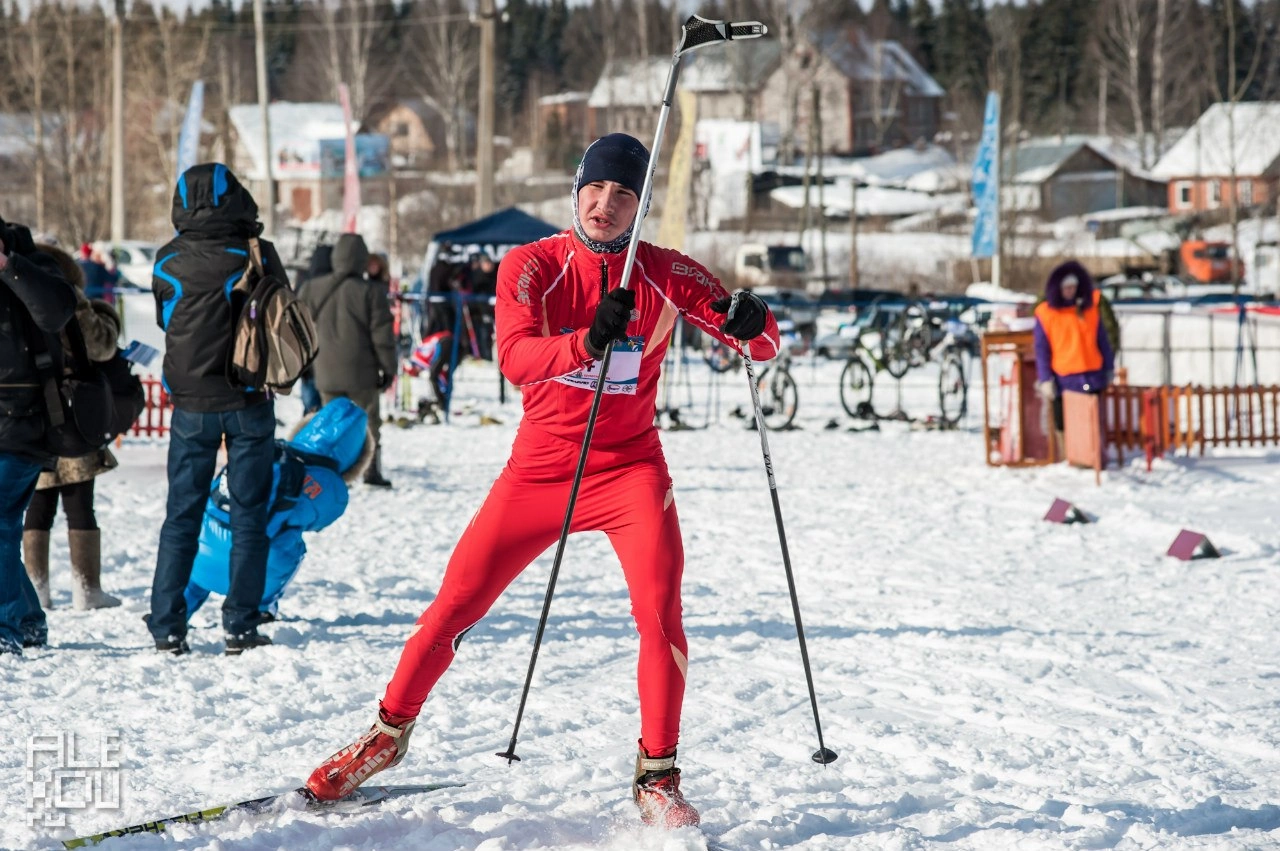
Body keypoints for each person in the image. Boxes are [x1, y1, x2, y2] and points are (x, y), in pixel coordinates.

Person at [306, 133, 780, 828]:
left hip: (628, 469)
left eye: (625, 195)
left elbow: (761, 346)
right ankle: (385, 734)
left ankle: (658, 776)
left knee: (661, 615)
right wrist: (586, 341)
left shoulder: (664, 271)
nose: (606, 205)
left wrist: (752, 318)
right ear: (575, 190)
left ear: (641, 204)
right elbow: (514, 357)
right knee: (452, 607)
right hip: (542, 469)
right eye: (595, 188)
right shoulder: (531, 264)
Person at [148, 163, 284, 656]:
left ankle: (166, 625)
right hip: (248, 399)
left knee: (181, 515)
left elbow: (168, 320)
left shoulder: (166, 260)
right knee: (249, 516)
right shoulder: (256, 254)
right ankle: (240, 626)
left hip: (190, 404)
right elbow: (280, 314)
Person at [184, 398, 373, 624]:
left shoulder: (272, 449)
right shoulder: (332, 488)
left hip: (196, 556)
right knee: (291, 543)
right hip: (250, 571)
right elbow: (317, 522)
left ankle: (180, 607)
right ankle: (262, 608)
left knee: (219, 522)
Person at [23, 244, 125, 611]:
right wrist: (105, 314)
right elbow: (102, 346)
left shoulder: (18, 295)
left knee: (37, 503)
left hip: (30, 411)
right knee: (80, 503)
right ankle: (87, 588)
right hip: (75, 410)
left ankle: (37, 587)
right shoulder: (69, 297)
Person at [0, 217, 79, 656]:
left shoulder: (34, 265)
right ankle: (27, 621)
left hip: (24, 419)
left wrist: (8, 266)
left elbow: (56, 311)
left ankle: (7, 624)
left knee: (1, 522)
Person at [301, 233, 398, 489]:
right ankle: (370, 471)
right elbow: (382, 335)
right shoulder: (370, 292)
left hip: (325, 371)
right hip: (362, 372)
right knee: (368, 422)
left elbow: (301, 330)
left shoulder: (312, 288)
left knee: (331, 422)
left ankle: (331, 472)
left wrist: (306, 366)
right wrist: (389, 368)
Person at [1033, 260, 1115, 438]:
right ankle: (1069, 456)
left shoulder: (1090, 310)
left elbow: (1103, 341)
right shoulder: (1047, 314)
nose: (1071, 291)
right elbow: (1042, 350)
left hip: (1091, 377)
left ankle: (1093, 455)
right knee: (1065, 423)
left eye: (1074, 287)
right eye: (1066, 287)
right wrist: (1045, 378)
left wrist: (1109, 367)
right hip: (1065, 379)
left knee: (1092, 419)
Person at [294, 245, 334, 417]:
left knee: (310, 409)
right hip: (330, 357)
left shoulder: (306, 286)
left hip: (308, 356)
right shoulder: (337, 286)